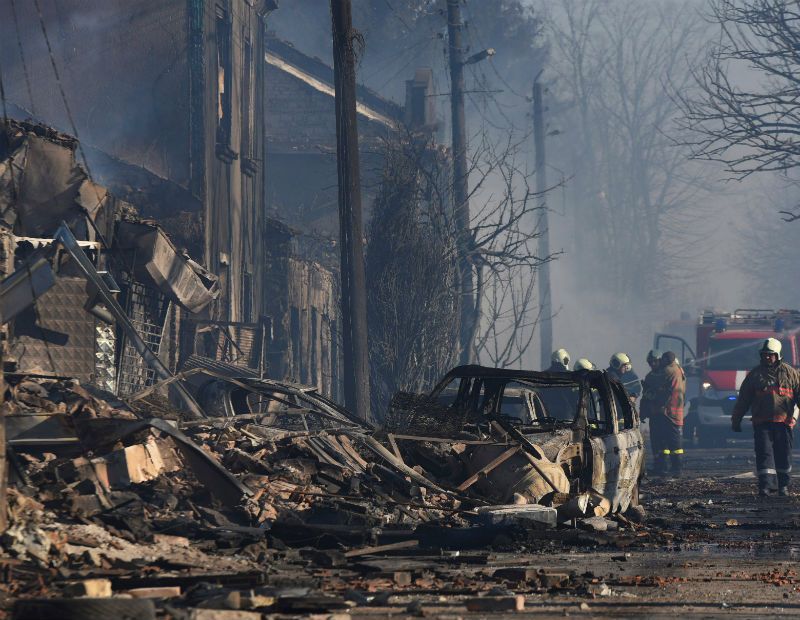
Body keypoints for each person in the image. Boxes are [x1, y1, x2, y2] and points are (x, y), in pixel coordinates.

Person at [732, 338, 800, 497]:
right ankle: (766, 486)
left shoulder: (791, 373)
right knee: (764, 454)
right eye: (764, 355)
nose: (767, 357)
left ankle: (783, 486)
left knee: (783, 454)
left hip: (784, 422)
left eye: (770, 355)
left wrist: (793, 419)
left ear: (778, 355)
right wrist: (736, 420)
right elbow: (743, 400)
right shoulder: (755, 375)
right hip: (762, 423)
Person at [643, 351, 686, 476]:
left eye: (654, 361)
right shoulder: (656, 374)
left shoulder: (669, 372)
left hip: (668, 413)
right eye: (650, 362)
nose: (652, 364)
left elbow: (663, 393)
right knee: (660, 442)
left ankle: (676, 468)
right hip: (661, 413)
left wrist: (651, 392)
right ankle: (661, 467)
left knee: (673, 442)